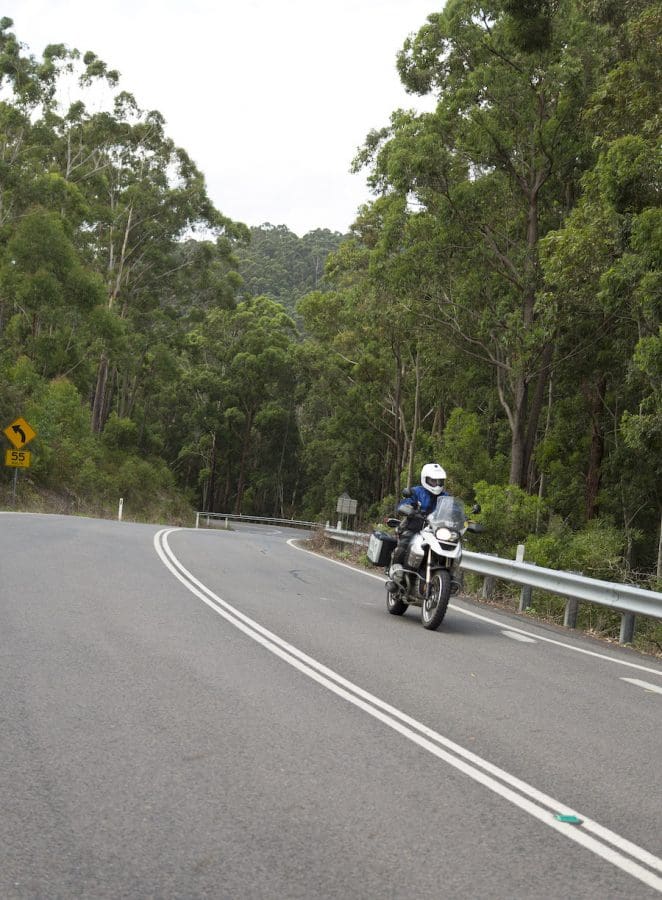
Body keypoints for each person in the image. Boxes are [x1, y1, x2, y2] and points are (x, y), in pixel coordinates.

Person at [386, 462, 447, 591]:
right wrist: (407, 508)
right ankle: (396, 575)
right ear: (425, 479)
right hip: (414, 527)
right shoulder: (416, 492)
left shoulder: (446, 497)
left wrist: (466, 520)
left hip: (435, 532)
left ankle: (446, 580)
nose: (437, 484)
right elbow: (404, 503)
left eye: (439, 481)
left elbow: (454, 511)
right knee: (404, 544)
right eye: (433, 481)